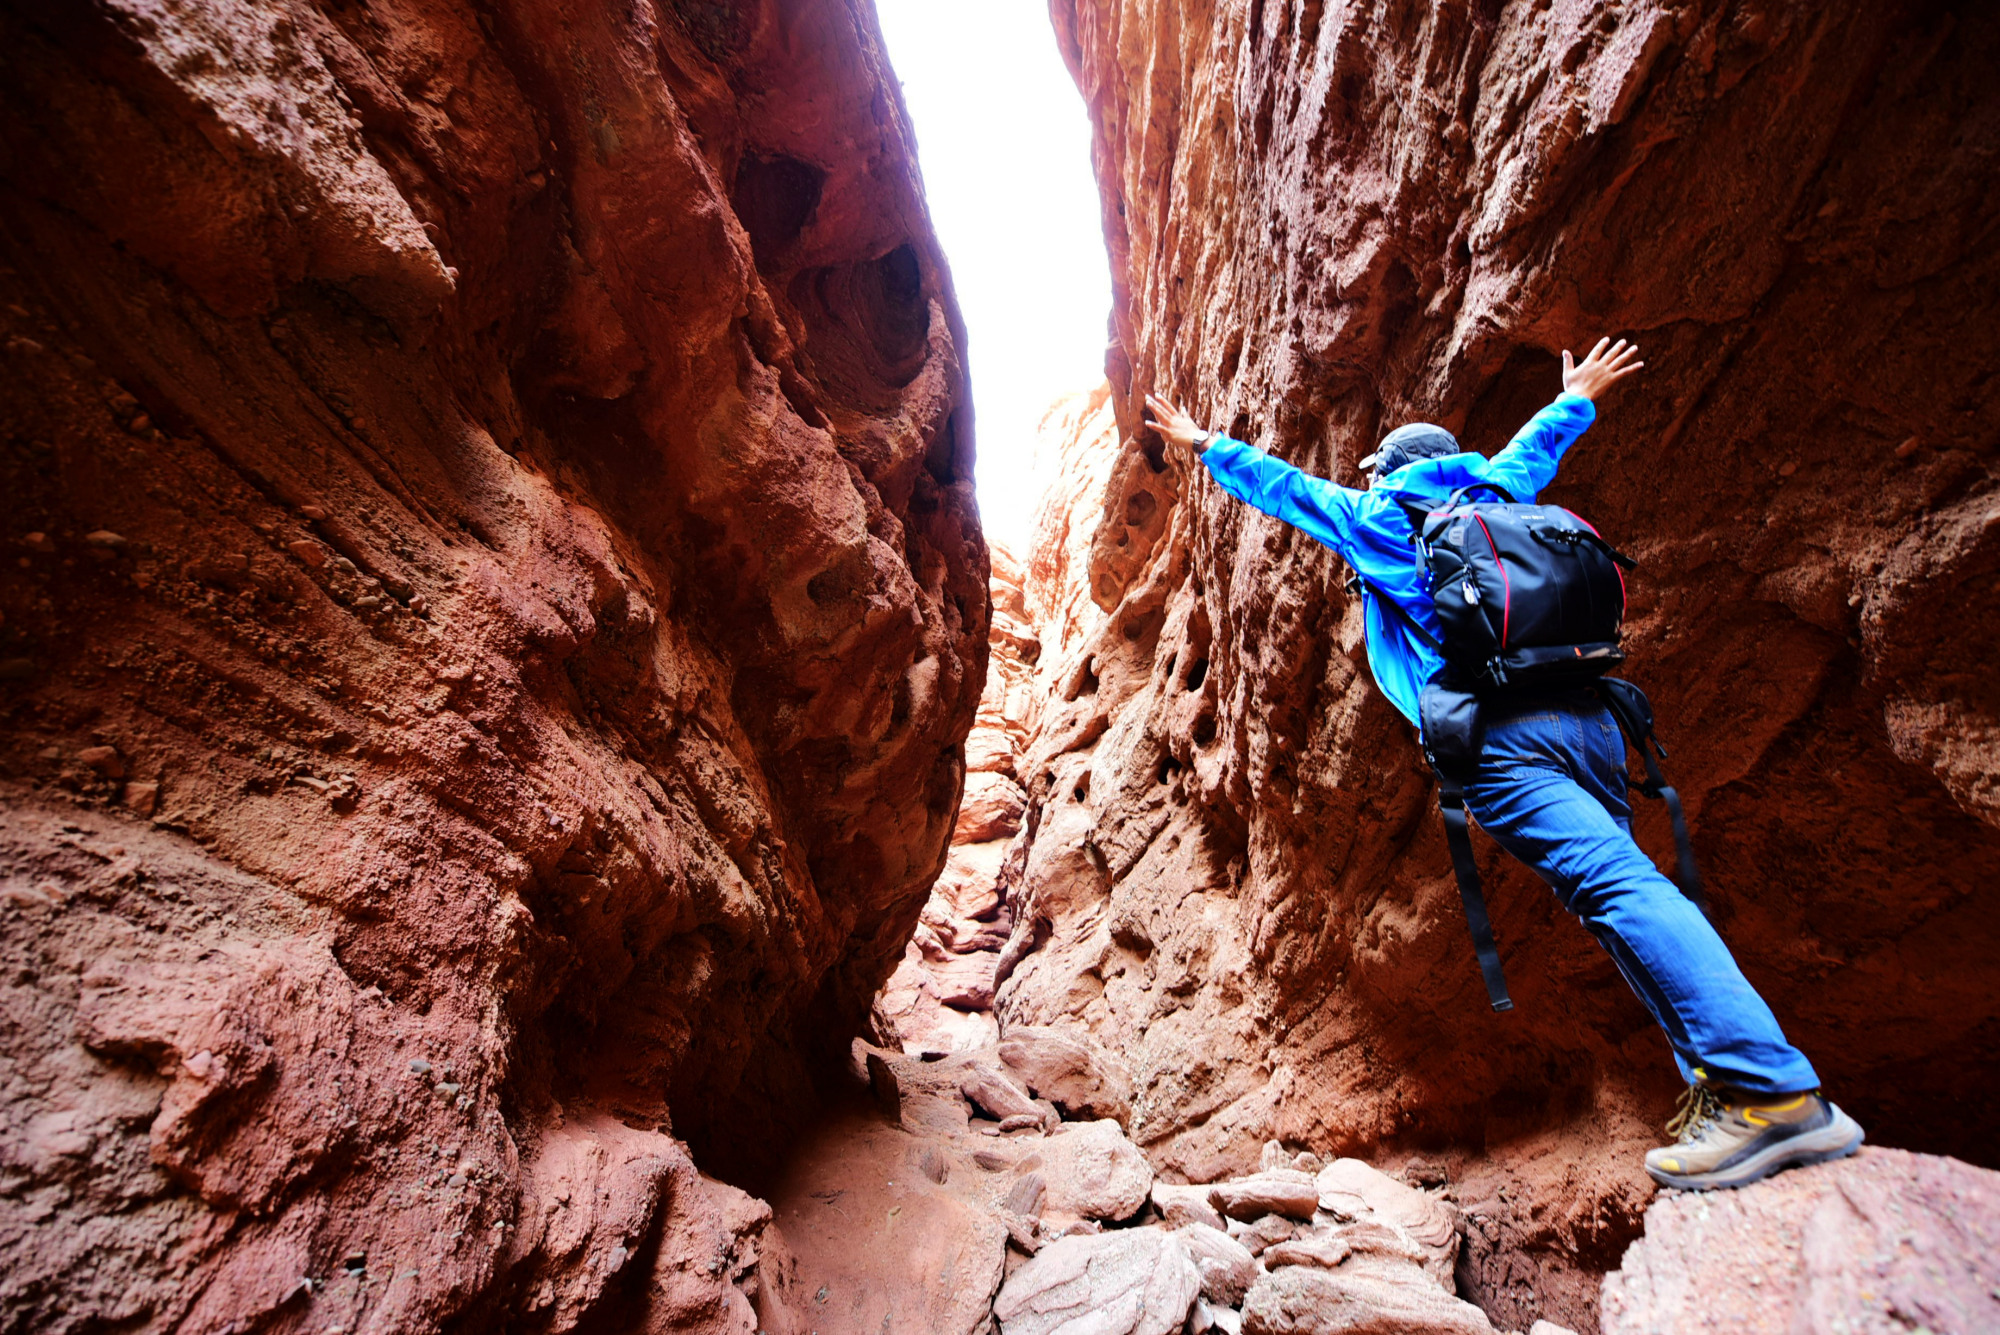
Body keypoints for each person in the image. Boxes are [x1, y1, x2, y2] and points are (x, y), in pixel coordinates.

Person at [1144, 338, 1863, 1191]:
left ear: (1389, 472)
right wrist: (1578, 397)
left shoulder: (1383, 518)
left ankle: (1769, 1092)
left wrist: (1203, 444)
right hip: (1593, 719)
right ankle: (1723, 1079)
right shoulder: (1500, 492)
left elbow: (1287, 488)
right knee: (1615, 894)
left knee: (1619, 890)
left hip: (1502, 739)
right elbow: (1534, 445)